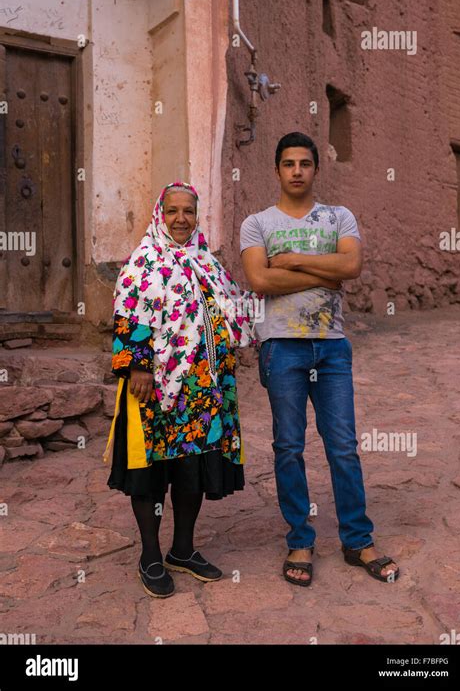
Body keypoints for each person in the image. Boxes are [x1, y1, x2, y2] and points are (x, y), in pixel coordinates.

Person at [240, 132, 400, 586]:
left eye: (304, 164)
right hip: (281, 346)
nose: (296, 171)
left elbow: (350, 268)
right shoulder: (257, 223)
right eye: (288, 163)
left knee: (343, 447)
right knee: (288, 447)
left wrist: (289, 260)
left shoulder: (339, 217)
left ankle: (357, 539)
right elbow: (258, 280)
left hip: (330, 347)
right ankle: (300, 539)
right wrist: (318, 270)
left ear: (315, 169)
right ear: (277, 170)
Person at [104, 181, 258, 598]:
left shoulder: (206, 260)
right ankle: (150, 556)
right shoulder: (144, 262)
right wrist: (136, 366)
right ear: (160, 213)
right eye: (172, 211)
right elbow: (128, 309)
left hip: (201, 389)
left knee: (191, 472)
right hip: (151, 387)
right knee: (151, 473)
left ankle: (183, 550)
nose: (181, 219)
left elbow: (231, 308)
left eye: (188, 211)